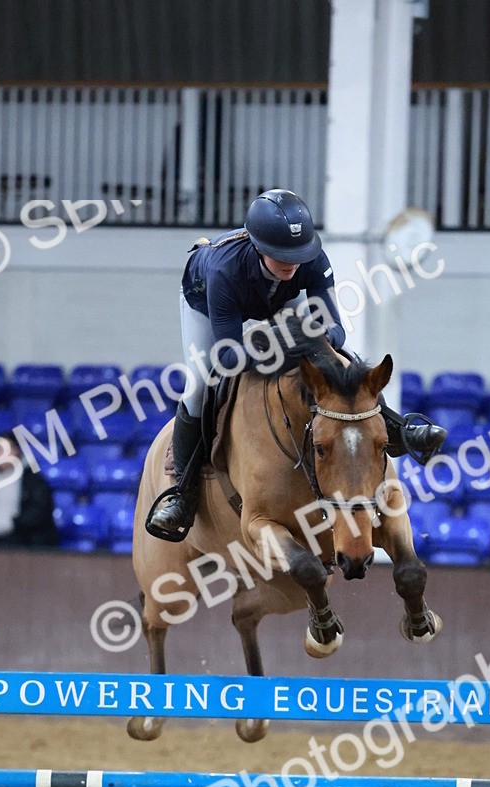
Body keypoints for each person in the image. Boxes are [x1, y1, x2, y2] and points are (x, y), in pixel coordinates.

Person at [149, 187, 446, 538]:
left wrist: (313, 339)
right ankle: (181, 494)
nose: (291, 263)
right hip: (205, 300)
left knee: (339, 364)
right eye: (281, 255)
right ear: (259, 248)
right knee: (200, 384)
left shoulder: (310, 260)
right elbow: (227, 356)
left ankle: (401, 430)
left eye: (297, 254)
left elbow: (335, 332)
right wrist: (280, 344)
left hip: (275, 300)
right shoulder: (223, 270)